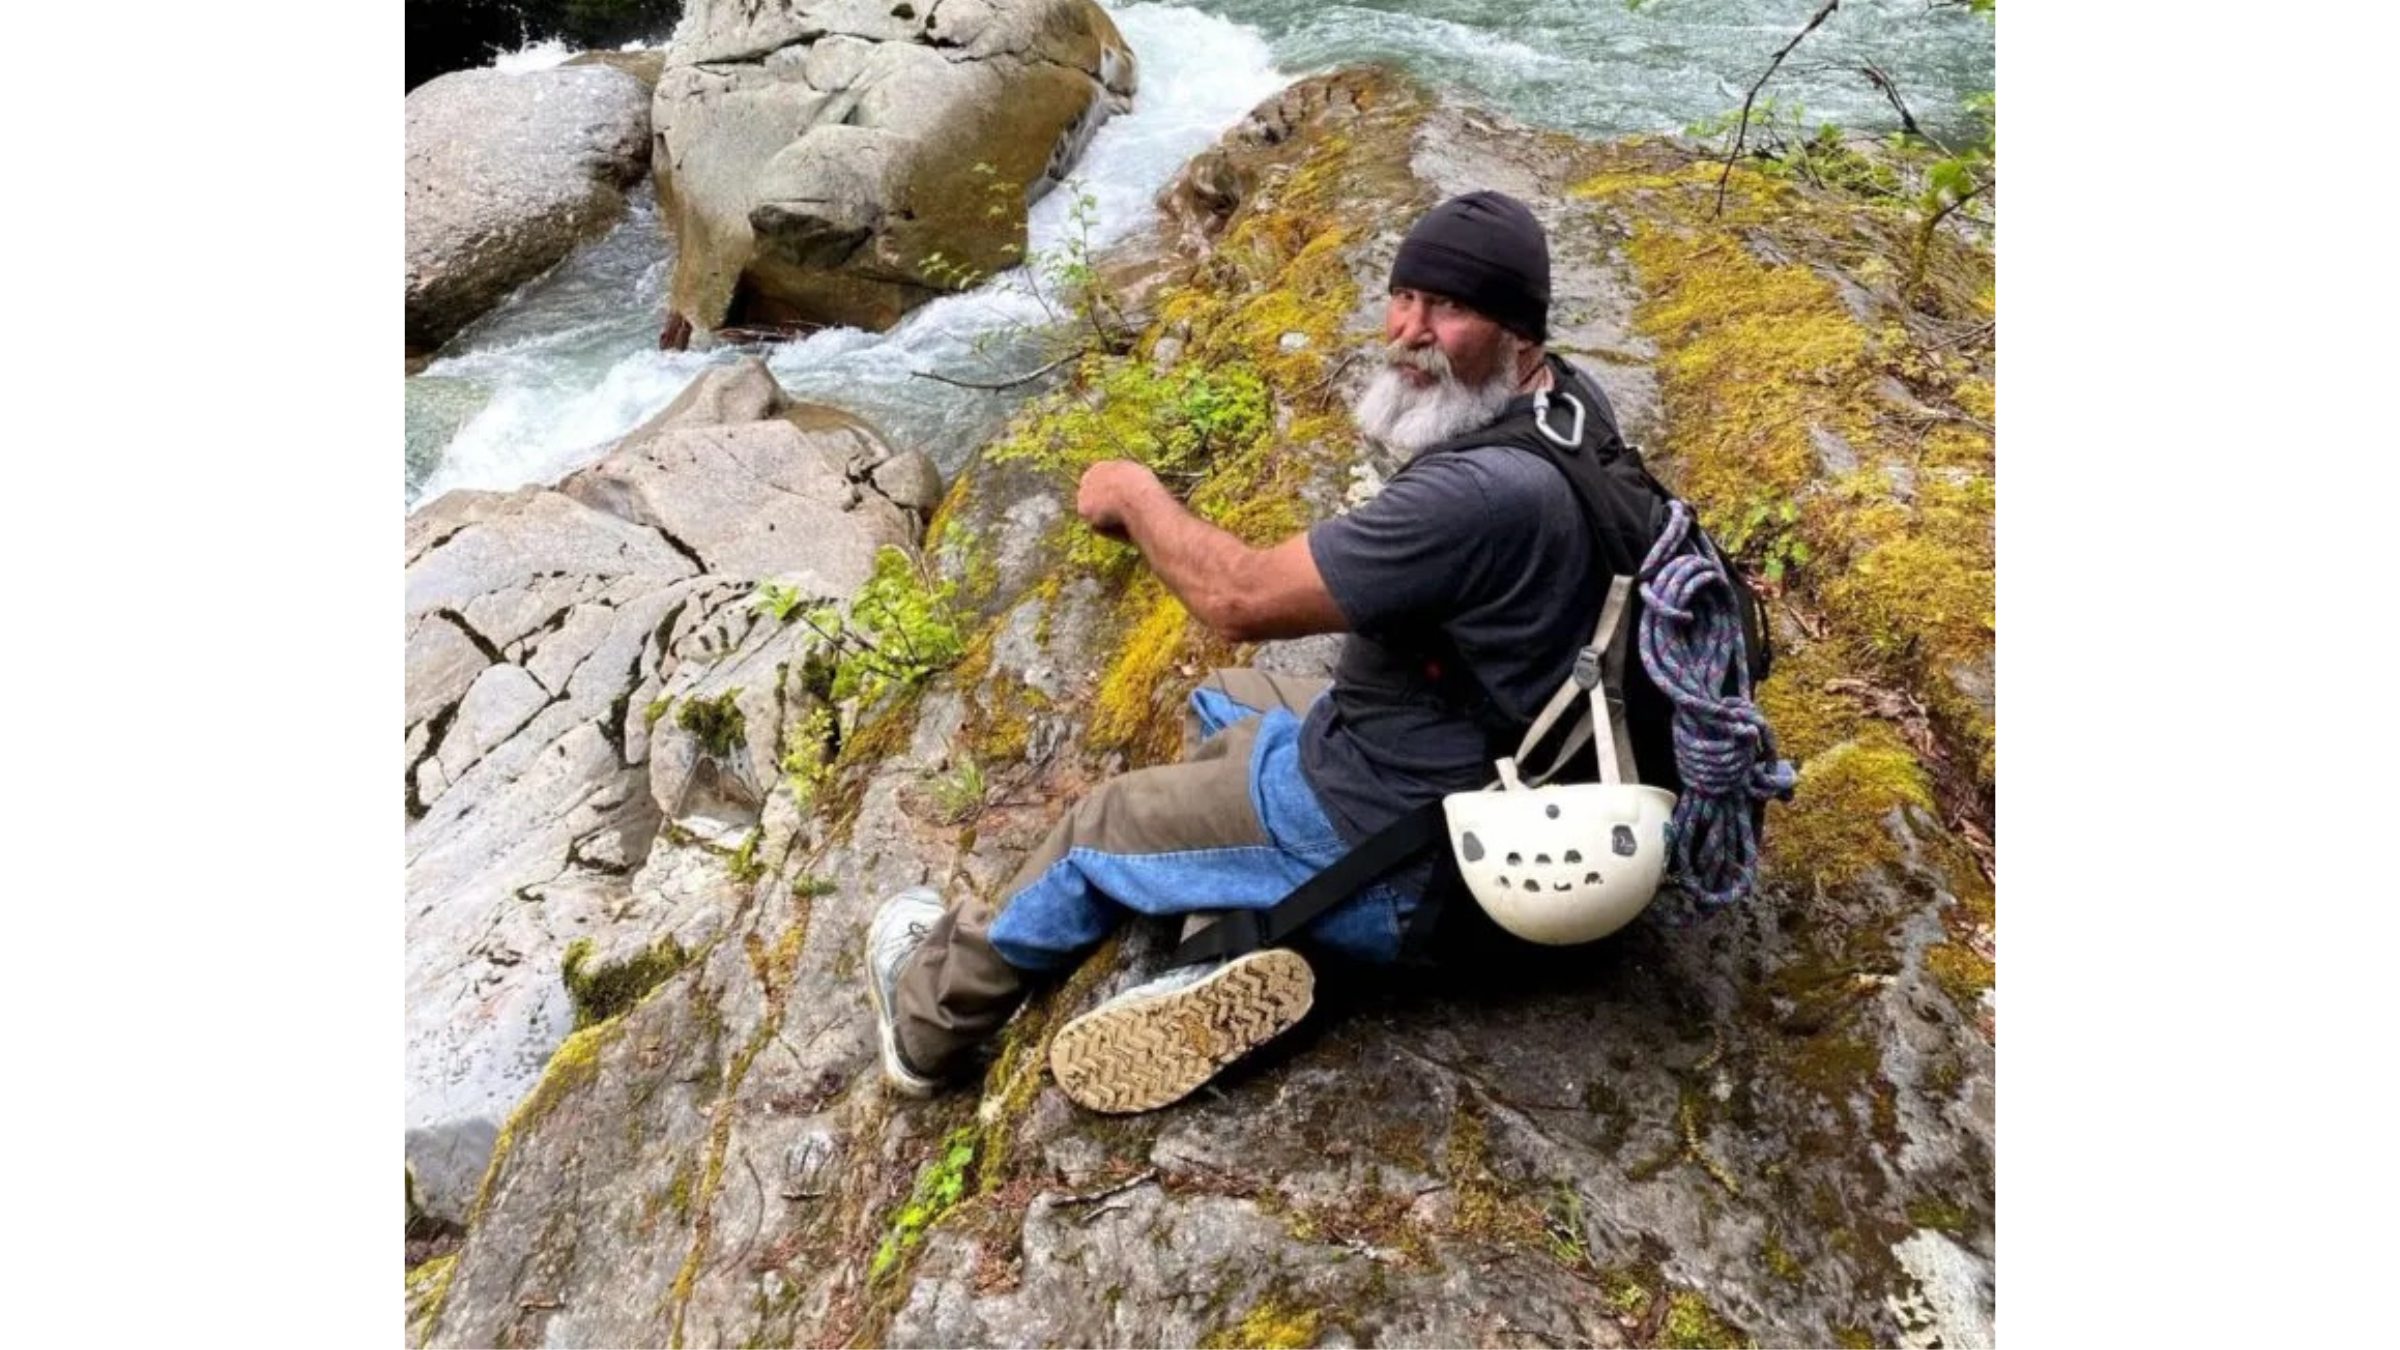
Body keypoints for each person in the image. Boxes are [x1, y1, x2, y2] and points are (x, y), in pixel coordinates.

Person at [866, 190, 1668, 1114]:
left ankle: (930, 1019)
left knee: (1096, 830)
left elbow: (1236, 597)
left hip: (1411, 844)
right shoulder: (1568, 408)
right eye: (1403, 295)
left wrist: (1133, 492)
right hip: (1507, 764)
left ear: (1519, 334)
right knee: (1229, 699)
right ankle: (1238, 904)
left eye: (1448, 309)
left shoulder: (1478, 497)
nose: (1408, 330)